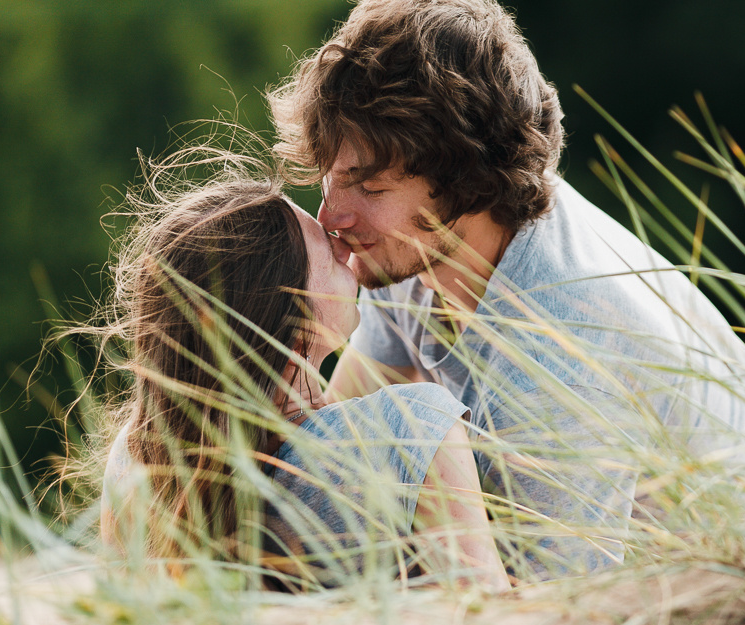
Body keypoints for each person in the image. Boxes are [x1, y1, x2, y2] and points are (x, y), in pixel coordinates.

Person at [267, 0, 745, 575]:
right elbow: (351, 422)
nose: (333, 216)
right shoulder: (412, 251)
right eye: (332, 176)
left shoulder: (564, 337)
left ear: (464, 181)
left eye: (370, 186)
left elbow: (555, 611)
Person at [98, 166, 510, 592]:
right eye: (329, 256)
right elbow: (484, 610)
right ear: (298, 323)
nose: (347, 254)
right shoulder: (412, 429)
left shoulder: (135, 459)